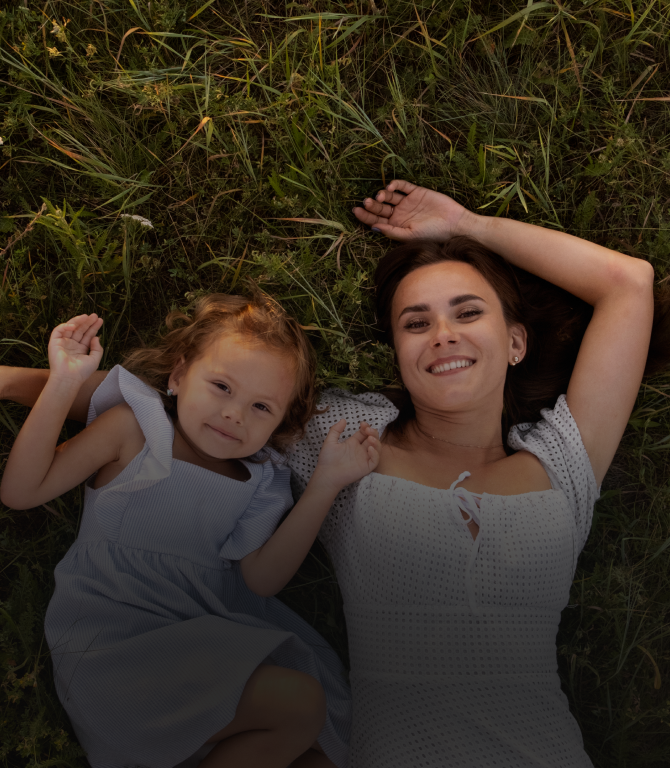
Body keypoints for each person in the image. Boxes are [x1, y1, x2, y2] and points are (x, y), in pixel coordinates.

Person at [2, 180, 669, 767]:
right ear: (399, 352)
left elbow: (628, 283)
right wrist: (27, 383)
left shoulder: (564, 460)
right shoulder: (344, 435)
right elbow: (176, 410)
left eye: (468, 312)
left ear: (516, 341)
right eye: (416, 322)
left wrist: (467, 226)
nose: (443, 334)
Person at [0, 291, 381, 768]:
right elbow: (21, 491)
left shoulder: (261, 482)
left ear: (282, 422)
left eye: (262, 408)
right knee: (301, 703)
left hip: (207, 643)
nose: (233, 414)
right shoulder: (135, 430)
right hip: (118, 644)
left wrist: (324, 484)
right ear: (178, 376)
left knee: (318, 755)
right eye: (221, 386)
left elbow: (260, 581)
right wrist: (62, 384)